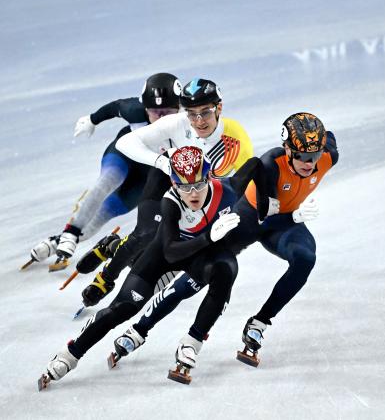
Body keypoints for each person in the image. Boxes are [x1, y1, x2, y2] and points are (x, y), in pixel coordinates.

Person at [112, 112, 339, 368]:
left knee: (305, 259)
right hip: (249, 218)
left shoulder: (328, 155)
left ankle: (260, 322)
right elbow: (266, 207)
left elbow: (328, 139)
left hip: (282, 224)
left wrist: (294, 211)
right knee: (198, 278)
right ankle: (140, 329)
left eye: (315, 155)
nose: (310, 163)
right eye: (302, 156)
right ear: (287, 149)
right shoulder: (271, 162)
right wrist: (296, 212)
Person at [38, 146, 270, 390]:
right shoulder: (171, 202)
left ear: (210, 177)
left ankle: (192, 341)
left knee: (226, 268)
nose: (192, 193)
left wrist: (264, 205)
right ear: (173, 183)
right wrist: (209, 237)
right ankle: (70, 354)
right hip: (165, 255)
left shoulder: (229, 190)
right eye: (184, 187)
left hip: (202, 257)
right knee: (123, 308)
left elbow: (256, 164)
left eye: (199, 185)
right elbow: (170, 251)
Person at [80, 78, 254, 308]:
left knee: (158, 259)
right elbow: (125, 143)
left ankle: (112, 246)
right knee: (146, 232)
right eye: (191, 113)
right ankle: (106, 279)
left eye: (205, 112)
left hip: (199, 192)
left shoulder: (236, 137)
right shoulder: (176, 123)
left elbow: (243, 185)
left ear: (219, 108)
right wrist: (162, 162)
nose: (198, 121)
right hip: (165, 179)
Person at [26, 73, 182, 270]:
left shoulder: (187, 125)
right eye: (154, 112)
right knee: (107, 182)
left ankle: (57, 241)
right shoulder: (134, 110)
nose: (160, 118)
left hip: (145, 178)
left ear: (180, 108)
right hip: (123, 155)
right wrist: (91, 120)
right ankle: (70, 232)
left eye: (167, 112)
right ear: (145, 108)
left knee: (101, 217)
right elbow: (114, 107)